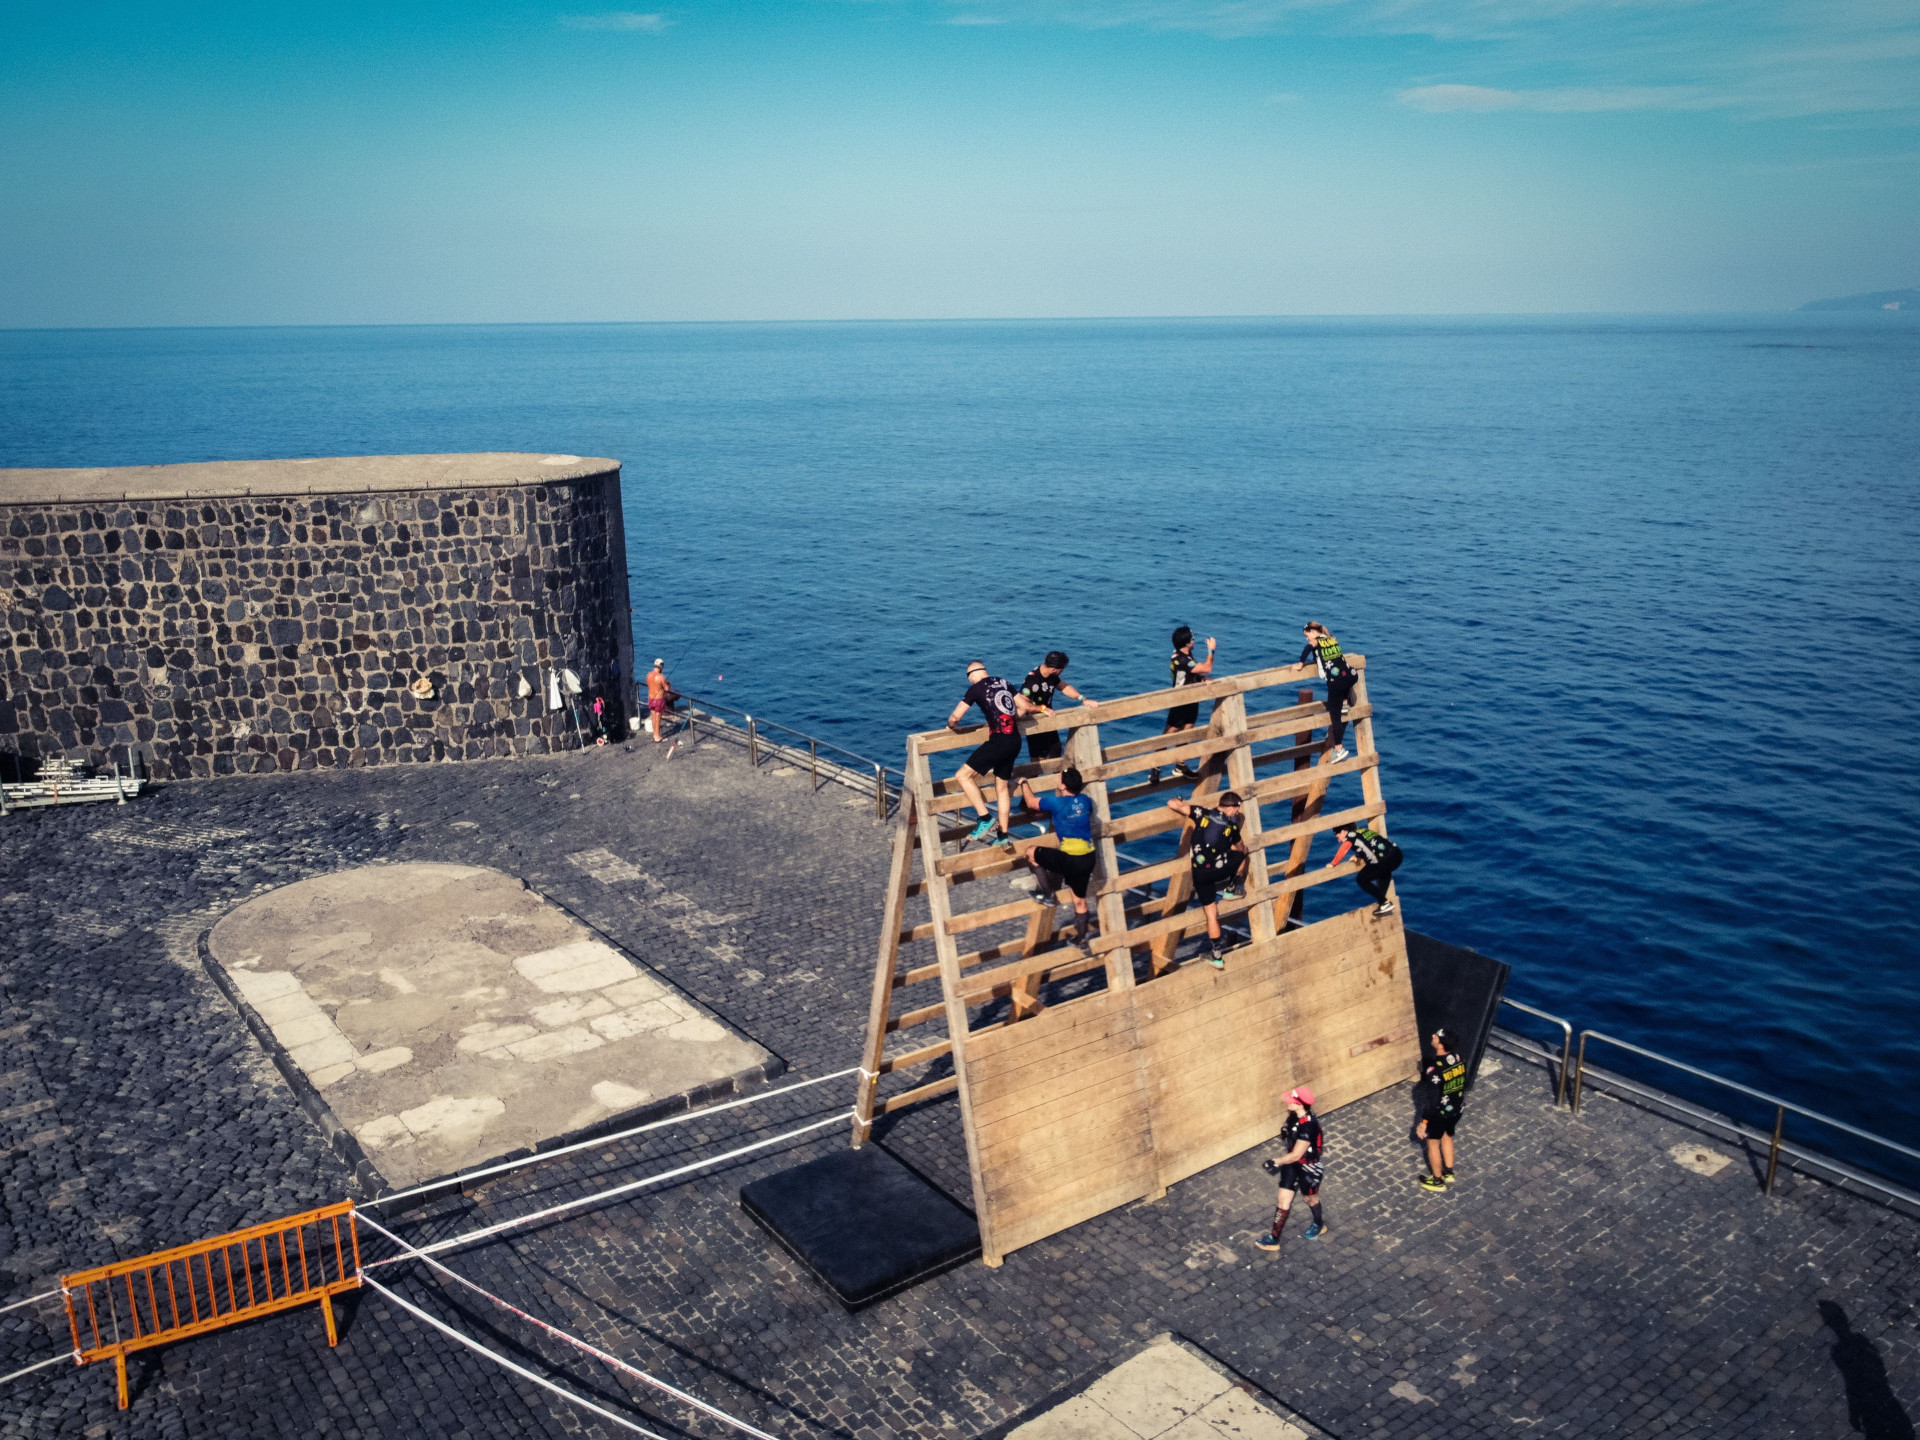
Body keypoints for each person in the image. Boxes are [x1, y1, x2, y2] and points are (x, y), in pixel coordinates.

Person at [1164, 790, 1247, 967]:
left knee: (1211, 915)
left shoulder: (1200, 813)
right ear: (1230, 807)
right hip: (1219, 871)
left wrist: (1178, 799)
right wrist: (1235, 847)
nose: (1238, 812)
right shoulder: (1231, 827)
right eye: (1237, 809)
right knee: (1242, 856)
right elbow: (1240, 847)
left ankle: (1216, 956)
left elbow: (1172, 804)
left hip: (1200, 875)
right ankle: (1231, 889)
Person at [945, 661, 1020, 848]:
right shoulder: (1003, 682)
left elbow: (956, 716)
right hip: (1014, 740)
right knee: (1002, 789)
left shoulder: (975, 689)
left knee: (962, 776)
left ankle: (985, 818)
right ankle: (1003, 836)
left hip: (998, 741)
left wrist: (951, 726)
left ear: (971, 676)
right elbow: (1024, 707)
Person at [1017, 767, 1097, 941]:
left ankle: (1048, 894)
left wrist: (1023, 782)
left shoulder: (1056, 803)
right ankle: (1081, 939)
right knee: (1079, 901)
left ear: (1062, 785)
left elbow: (1031, 802)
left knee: (1031, 852)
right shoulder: (1086, 801)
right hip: (1089, 857)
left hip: (1070, 859)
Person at [1254, 1087, 1326, 1251]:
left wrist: (1276, 1161)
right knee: (1283, 1199)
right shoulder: (1294, 1117)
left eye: (1291, 1101)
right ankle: (1274, 1238)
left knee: (1310, 1199)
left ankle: (1319, 1224)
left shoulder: (1309, 1126)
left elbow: (1296, 1155)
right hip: (1293, 1165)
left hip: (1309, 1168)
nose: (1287, 1102)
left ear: (1300, 1104)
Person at [1150, 627, 1216, 784]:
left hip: (1191, 699)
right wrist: (1211, 651)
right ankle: (1156, 766)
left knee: (1187, 730)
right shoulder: (1181, 659)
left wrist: (1200, 679)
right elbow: (1207, 668)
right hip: (1180, 700)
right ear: (1186, 643)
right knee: (1170, 731)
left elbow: (1190, 673)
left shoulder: (1185, 655)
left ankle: (1180, 764)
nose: (1194, 641)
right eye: (1192, 639)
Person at [1018, 651, 1096, 765]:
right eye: (1062, 669)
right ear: (1054, 669)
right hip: (1034, 723)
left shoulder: (1052, 676)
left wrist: (1083, 699)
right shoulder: (1031, 681)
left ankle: (1056, 778)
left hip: (1049, 718)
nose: (1062, 671)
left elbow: (1063, 687)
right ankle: (1037, 781)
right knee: (1039, 760)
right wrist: (1042, 709)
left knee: (1056, 748)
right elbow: (1022, 703)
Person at [1415, 1027, 1468, 1191]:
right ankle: (1449, 1171)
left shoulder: (1434, 1070)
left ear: (1440, 1044)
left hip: (1439, 1113)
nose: (1433, 1036)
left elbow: (1432, 1101)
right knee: (1447, 1135)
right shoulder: (1457, 1058)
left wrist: (1423, 1122)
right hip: (1457, 1108)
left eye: (1436, 1036)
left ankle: (1437, 1181)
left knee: (1433, 1144)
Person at [1298, 622, 1357, 764]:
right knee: (1342, 690)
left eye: (1307, 635)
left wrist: (1301, 663)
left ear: (1314, 632)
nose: (1307, 639)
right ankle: (1345, 701)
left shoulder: (1316, 641)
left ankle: (1339, 750)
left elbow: (1308, 648)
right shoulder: (1332, 638)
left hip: (1336, 681)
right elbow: (1324, 657)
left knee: (1335, 717)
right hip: (1351, 675)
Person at [1327, 820, 1402, 917]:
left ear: (1343, 831)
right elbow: (1369, 845)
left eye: (1338, 837)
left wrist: (1333, 863)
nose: (1339, 841)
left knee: (1361, 879)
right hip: (1397, 855)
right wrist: (1358, 856)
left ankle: (1384, 902)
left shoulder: (1350, 836)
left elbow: (1344, 848)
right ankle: (1383, 903)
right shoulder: (1363, 831)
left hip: (1385, 860)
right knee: (1384, 872)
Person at [645, 659, 678, 744]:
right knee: (658, 717)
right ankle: (657, 736)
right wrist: (669, 684)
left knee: (653, 716)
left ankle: (654, 734)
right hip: (659, 699)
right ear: (661, 666)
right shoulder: (661, 677)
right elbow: (667, 689)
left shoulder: (648, 675)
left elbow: (648, 684)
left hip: (651, 698)